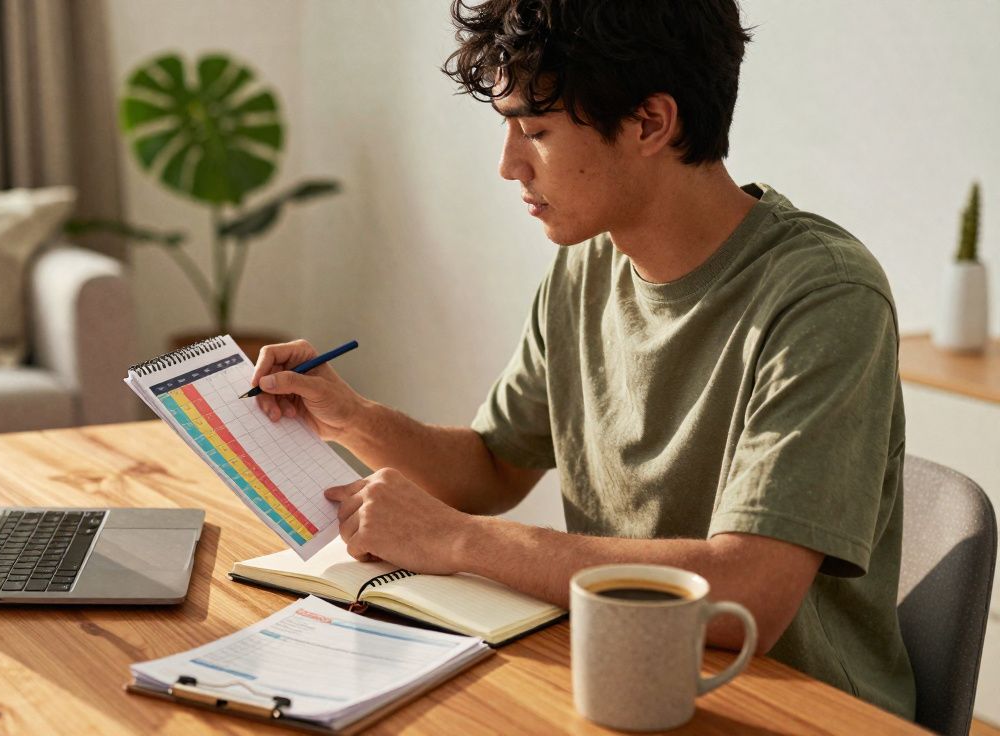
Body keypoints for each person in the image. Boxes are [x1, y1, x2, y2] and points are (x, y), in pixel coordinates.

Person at [249, 0, 914, 720]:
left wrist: (458, 539)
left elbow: (743, 594)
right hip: (620, 679)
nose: (508, 166)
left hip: (786, 709)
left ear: (651, 123)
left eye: (536, 131)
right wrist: (353, 418)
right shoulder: (587, 266)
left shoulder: (824, 297)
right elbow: (494, 468)